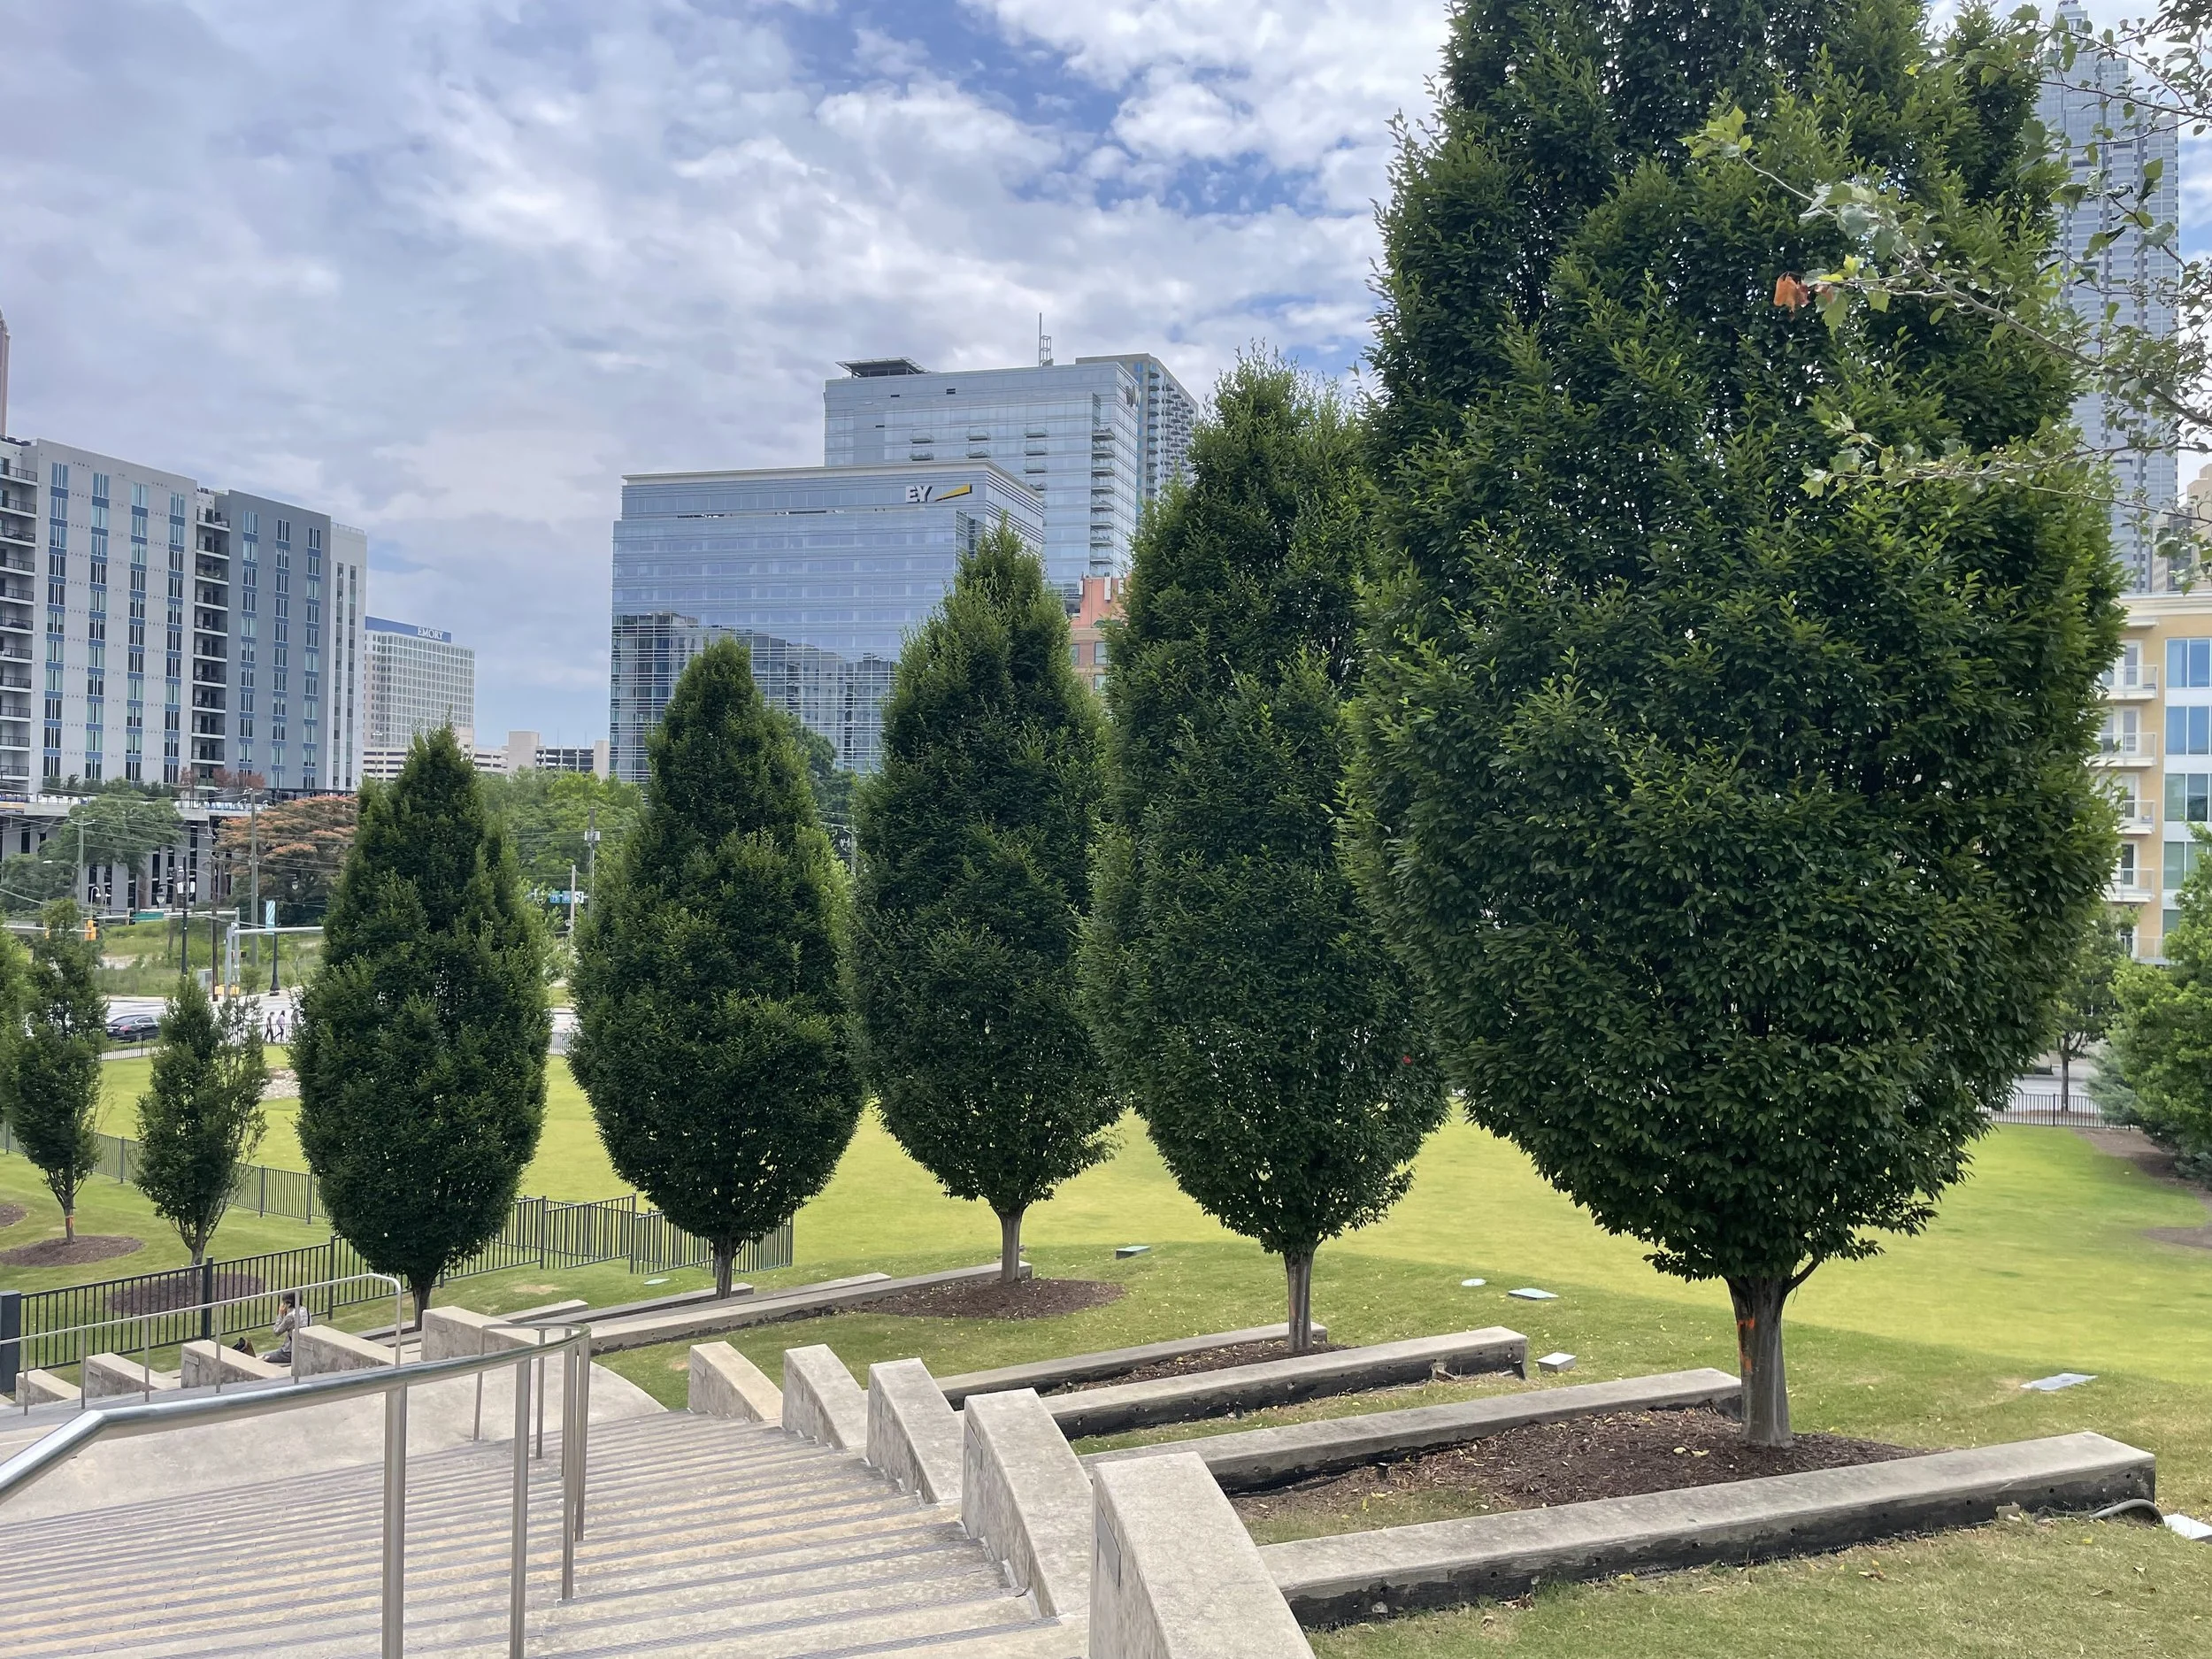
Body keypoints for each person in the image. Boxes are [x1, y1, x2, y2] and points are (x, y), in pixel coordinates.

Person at [265, 1290, 310, 1365]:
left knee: (263, 1357)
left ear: (288, 1304)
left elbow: (276, 1332)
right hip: (303, 1348)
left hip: (289, 1352)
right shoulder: (306, 1311)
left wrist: (280, 1314)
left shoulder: (290, 1317)